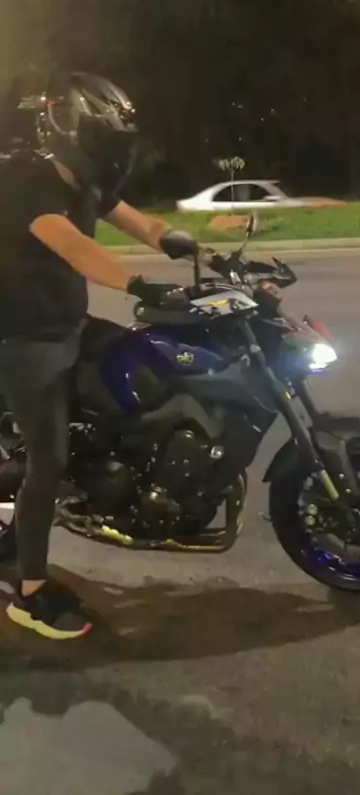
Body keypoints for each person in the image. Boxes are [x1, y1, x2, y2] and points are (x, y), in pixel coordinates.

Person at [0, 72, 178, 640]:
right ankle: (30, 591)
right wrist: (141, 286)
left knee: (142, 363)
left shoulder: (87, 184)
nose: (114, 155)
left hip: (71, 326)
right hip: (26, 337)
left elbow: (143, 224)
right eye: (106, 142)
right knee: (47, 458)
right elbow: (77, 249)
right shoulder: (26, 185)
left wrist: (199, 252)